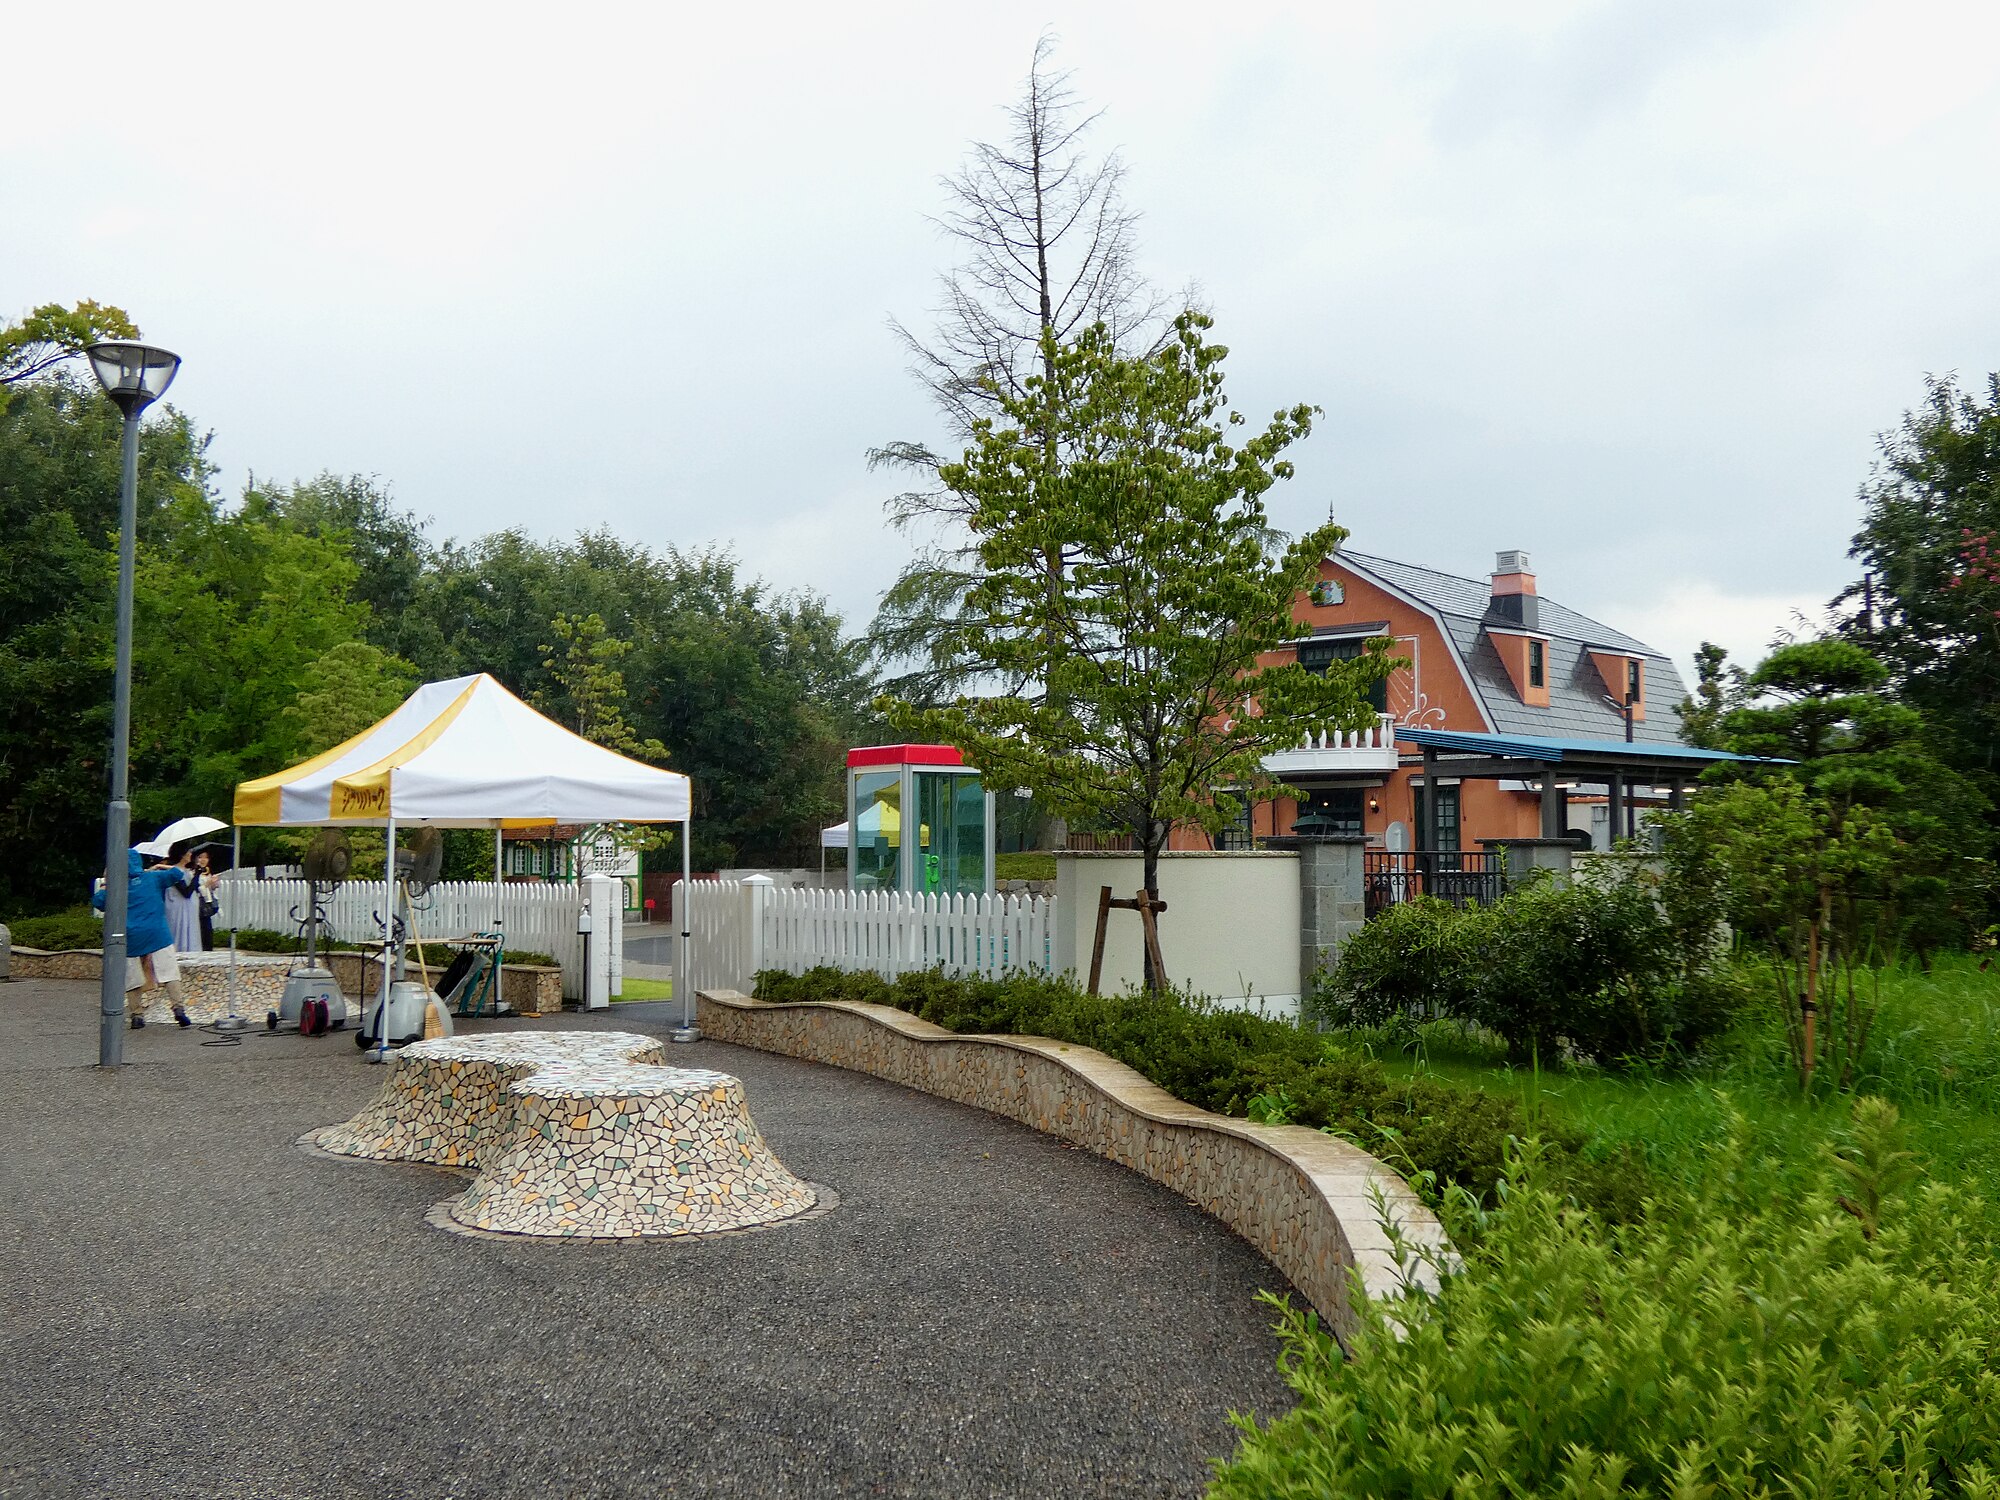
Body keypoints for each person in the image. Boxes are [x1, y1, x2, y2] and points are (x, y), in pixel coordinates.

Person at [91, 848, 194, 1029]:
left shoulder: (117, 887)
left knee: (133, 977)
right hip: (158, 933)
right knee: (169, 971)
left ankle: (137, 1015)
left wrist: (106, 883)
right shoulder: (153, 879)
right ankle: (179, 1009)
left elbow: (98, 902)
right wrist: (175, 862)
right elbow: (177, 874)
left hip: (131, 936)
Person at [162, 847, 205, 954]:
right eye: (188, 852)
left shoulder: (187, 871)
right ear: (182, 855)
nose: (190, 854)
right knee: (179, 931)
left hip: (189, 908)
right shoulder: (174, 872)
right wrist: (197, 875)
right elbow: (186, 892)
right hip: (178, 908)